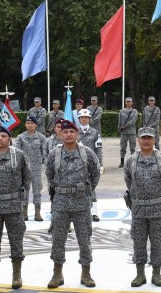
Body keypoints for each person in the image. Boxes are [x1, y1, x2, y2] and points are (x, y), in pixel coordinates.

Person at [45, 120, 101, 289]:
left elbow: (95, 174)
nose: (69, 134)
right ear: (60, 135)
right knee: (58, 239)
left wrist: (85, 190)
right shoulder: (54, 154)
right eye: (65, 132)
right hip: (60, 203)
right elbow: (49, 174)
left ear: (77, 135)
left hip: (81, 204)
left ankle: (86, 273)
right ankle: (57, 274)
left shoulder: (87, 153)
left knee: (84, 240)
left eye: (72, 132)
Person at [0, 125, 32, 289]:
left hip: (14, 207)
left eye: (4, 136)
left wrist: (22, 203)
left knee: (16, 241)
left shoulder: (20, 156)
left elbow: (27, 179)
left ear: (10, 138)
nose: (0, 139)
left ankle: (16, 275)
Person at [124, 126, 161, 288]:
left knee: (158, 241)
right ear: (138, 140)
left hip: (157, 209)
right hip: (138, 209)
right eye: (143, 138)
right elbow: (128, 181)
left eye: (149, 138)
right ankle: (140, 273)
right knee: (138, 241)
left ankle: (157, 273)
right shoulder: (131, 160)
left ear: (154, 140)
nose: (146, 141)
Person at [14, 116, 47, 221]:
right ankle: (24, 213)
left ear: (36, 125)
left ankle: (37, 213)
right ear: (25, 125)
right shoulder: (20, 137)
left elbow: (45, 152)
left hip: (37, 168)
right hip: (24, 169)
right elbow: (16, 151)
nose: (30, 125)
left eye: (32, 123)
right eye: (28, 123)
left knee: (37, 190)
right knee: (24, 190)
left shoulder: (41, 138)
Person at [75, 109, 103, 221]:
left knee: (91, 187)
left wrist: (99, 165)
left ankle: (93, 212)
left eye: (86, 118)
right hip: (76, 164)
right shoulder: (75, 132)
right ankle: (76, 212)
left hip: (90, 165)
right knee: (76, 187)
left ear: (89, 119)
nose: (84, 119)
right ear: (79, 119)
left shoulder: (95, 133)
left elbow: (99, 150)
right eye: (82, 118)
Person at [118, 98, 138, 168]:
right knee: (123, 147)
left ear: (132, 103)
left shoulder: (134, 111)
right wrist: (120, 129)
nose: (129, 103)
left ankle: (132, 161)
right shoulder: (122, 111)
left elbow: (133, 121)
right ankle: (122, 162)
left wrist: (125, 126)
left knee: (132, 148)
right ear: (125, 103)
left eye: (130, 102)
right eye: (127, 102)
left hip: (132, 132)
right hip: (124, 132)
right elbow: (120, 121)